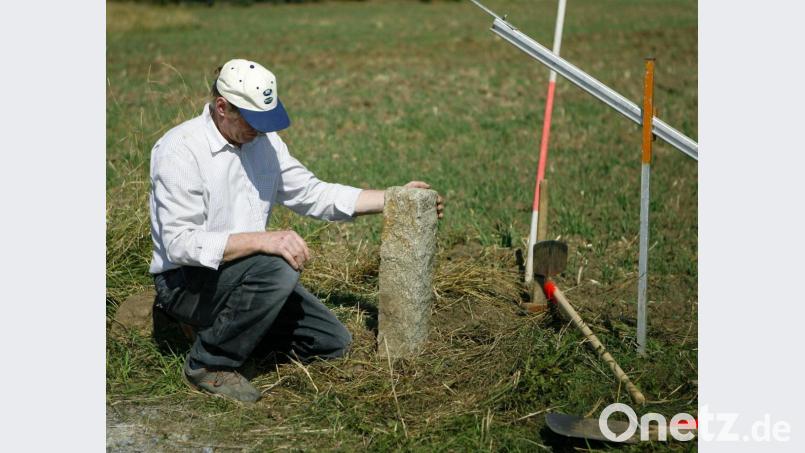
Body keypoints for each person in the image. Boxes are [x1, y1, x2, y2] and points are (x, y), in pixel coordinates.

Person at [148, 59, 444, 403]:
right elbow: (180, 244)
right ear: (222, 107)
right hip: (186, 282)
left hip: (246, 276)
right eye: (251, 120)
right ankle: (209, 363)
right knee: (278, 266)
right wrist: (263, 240)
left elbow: (312, 193)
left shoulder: (264, 143)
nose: (259, 130)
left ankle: (218, 328)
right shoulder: (180, 150)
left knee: (331, 343)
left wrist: (392, 198)